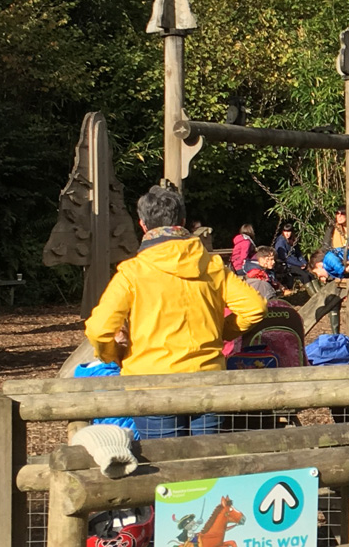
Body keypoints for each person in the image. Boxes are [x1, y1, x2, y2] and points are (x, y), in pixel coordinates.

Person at [85, 185, 267, 438]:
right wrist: (221, 332)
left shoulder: (132, 272)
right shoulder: (211, 265)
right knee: (206, 468)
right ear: (182, 222)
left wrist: (114, 354)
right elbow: (254, 307)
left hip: (151, 383)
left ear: (142, 225)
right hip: (208, 380)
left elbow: (99, 328)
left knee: (165, 469)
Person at [274, 223, 313, 288]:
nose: (287, 233)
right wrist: (299, 264)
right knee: (304, 275)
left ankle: (317, 290)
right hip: (288, 264)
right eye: (285, 231)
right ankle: (311, 292)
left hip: (296, 262)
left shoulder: (292, 239)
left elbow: (298, 253)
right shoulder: (280, 241)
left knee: (310, 274)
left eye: (289, 231)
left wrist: (304, 262)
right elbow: (285, 257)